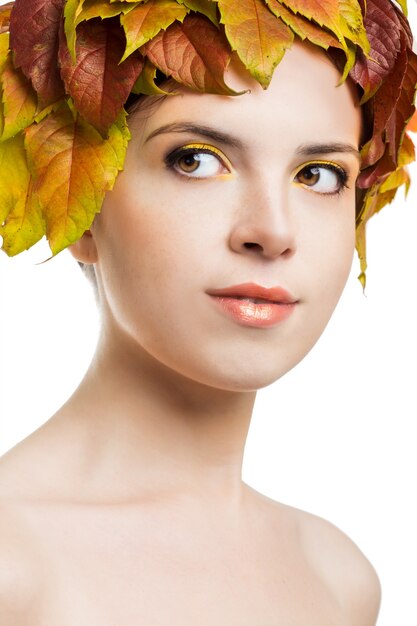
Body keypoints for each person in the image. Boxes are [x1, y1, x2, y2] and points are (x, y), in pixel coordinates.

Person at [0, 0, 416, 624]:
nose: (272, 232)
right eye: (194, 160)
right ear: (79, 203)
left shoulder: (339, 578)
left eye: (321, 175)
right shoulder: (13, 571)